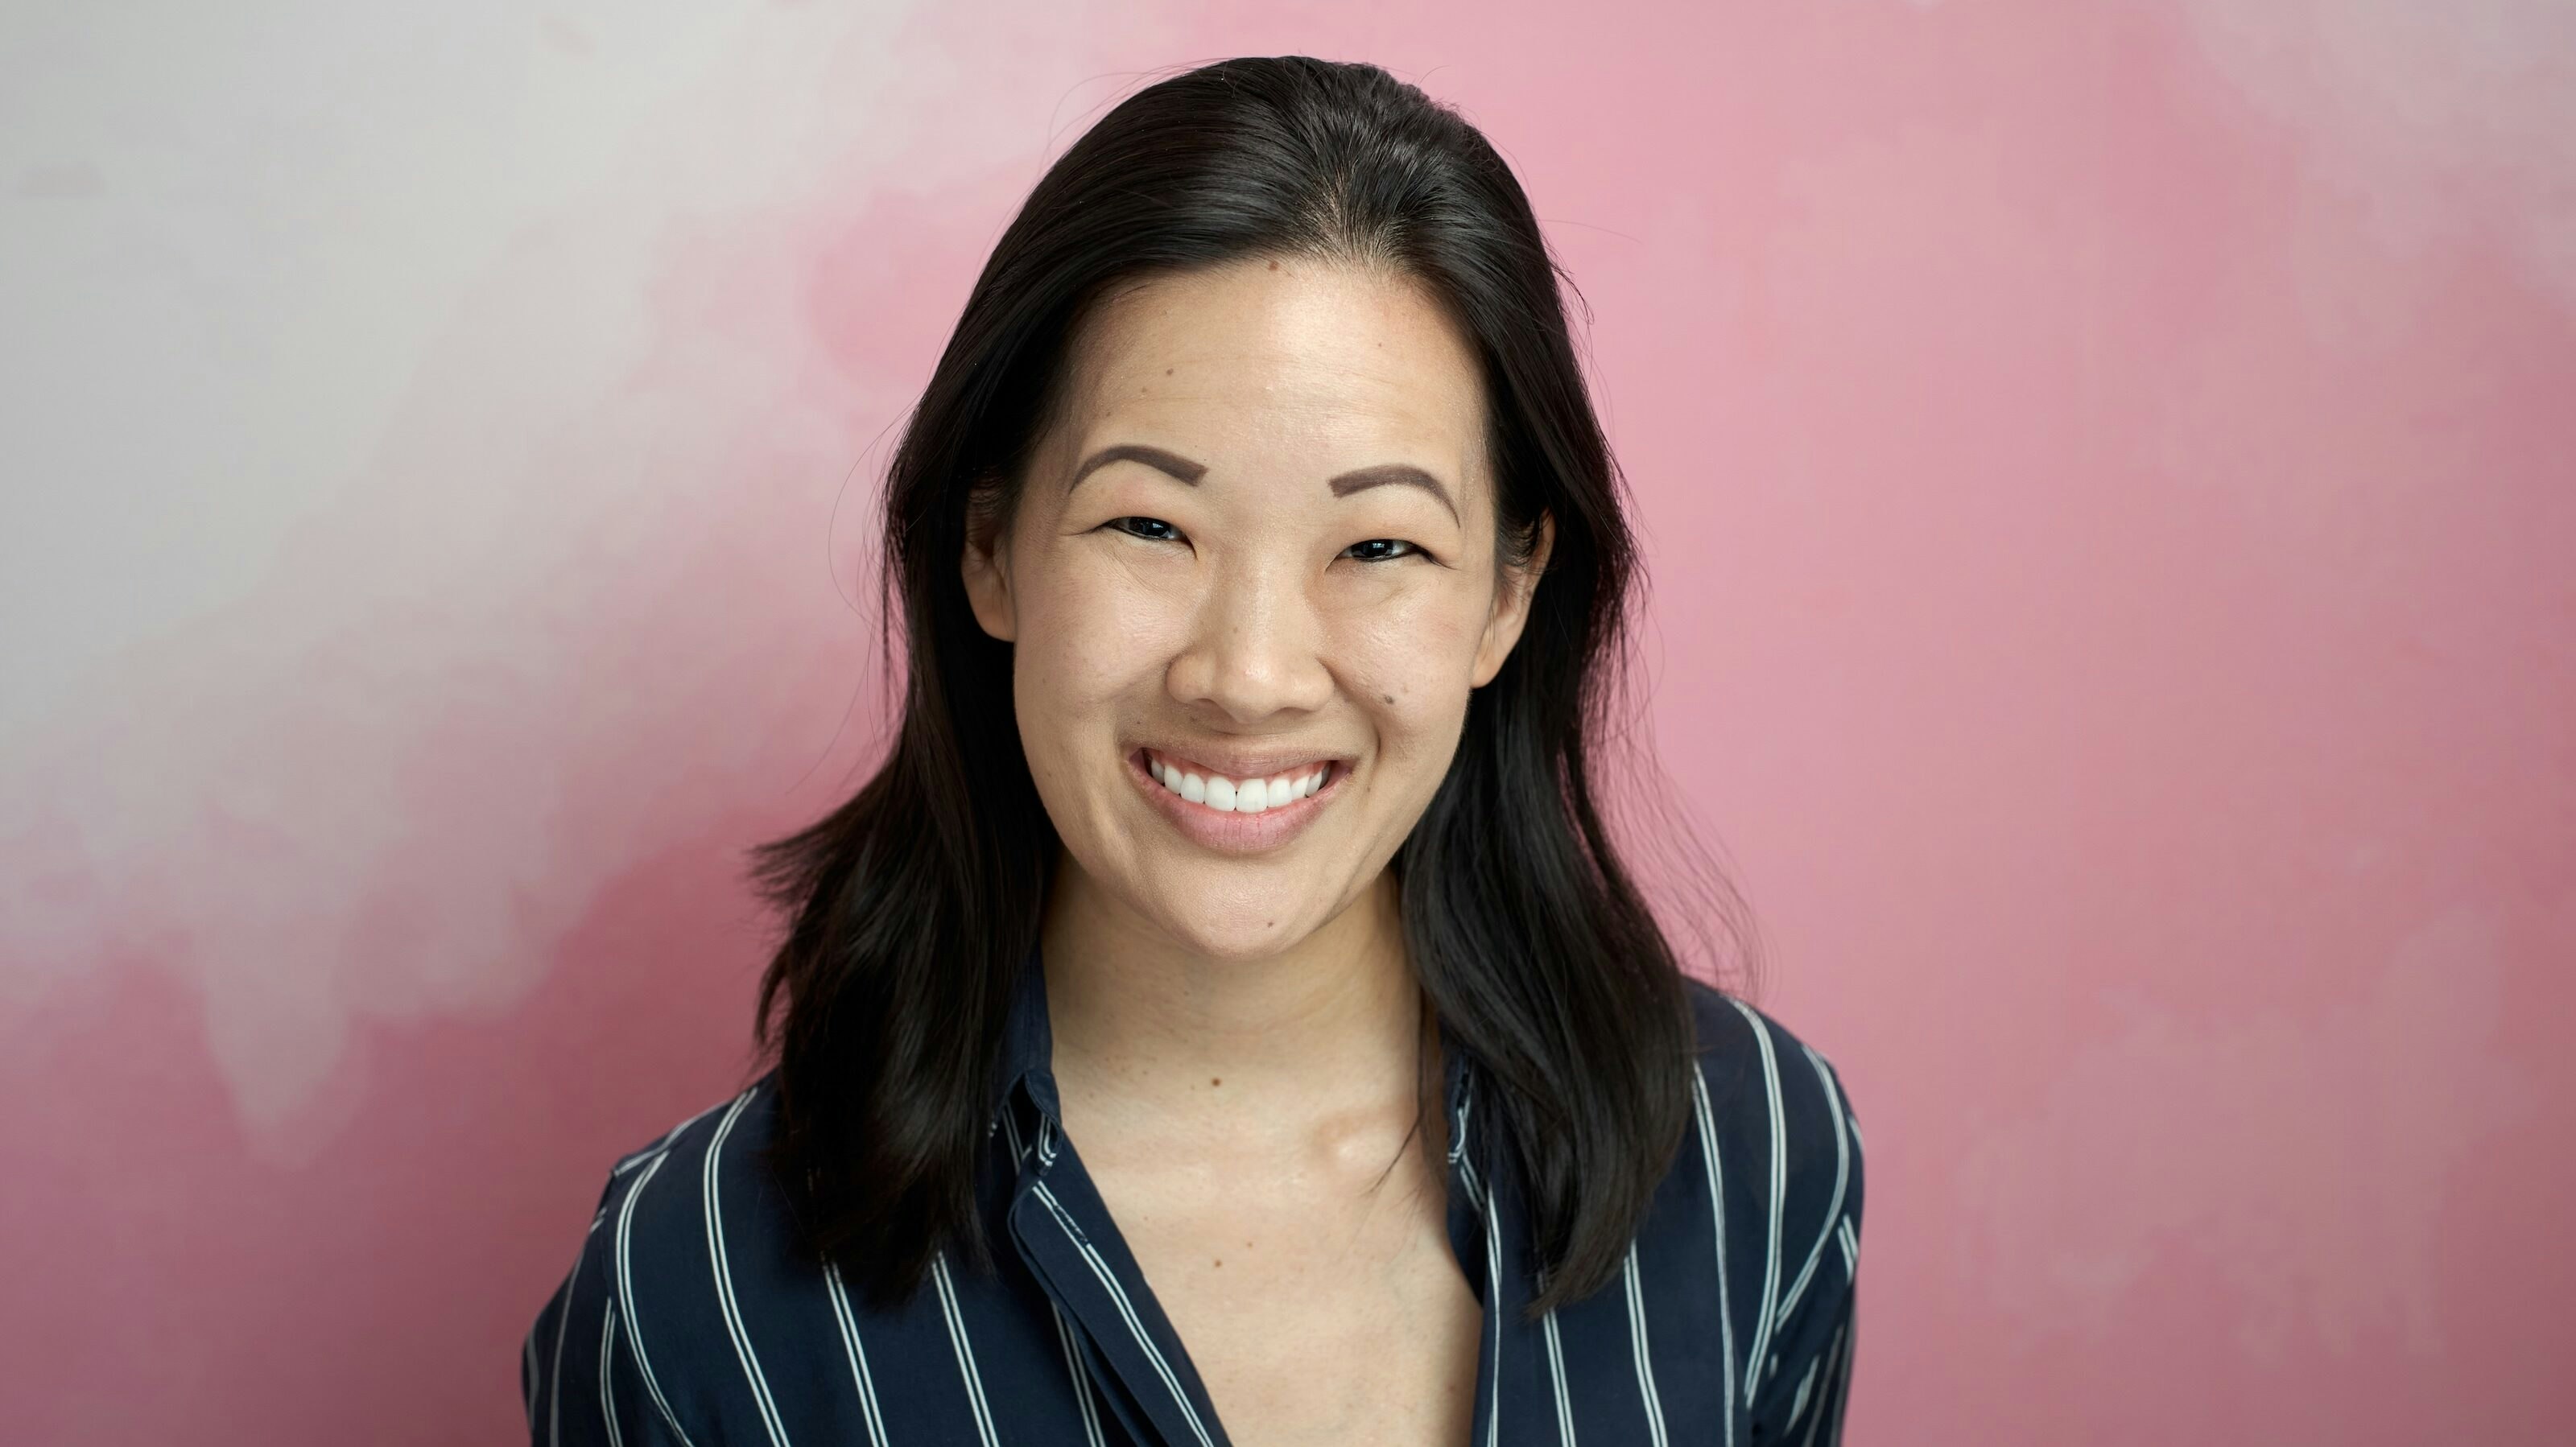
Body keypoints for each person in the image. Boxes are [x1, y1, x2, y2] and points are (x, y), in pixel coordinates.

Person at [523, 55, 1863, 1447]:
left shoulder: (1758, 1153)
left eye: (1381, 544)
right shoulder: (698, 1297)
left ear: (1508, 595)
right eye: (1151, 525)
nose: (1249, 674)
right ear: (992, 548)